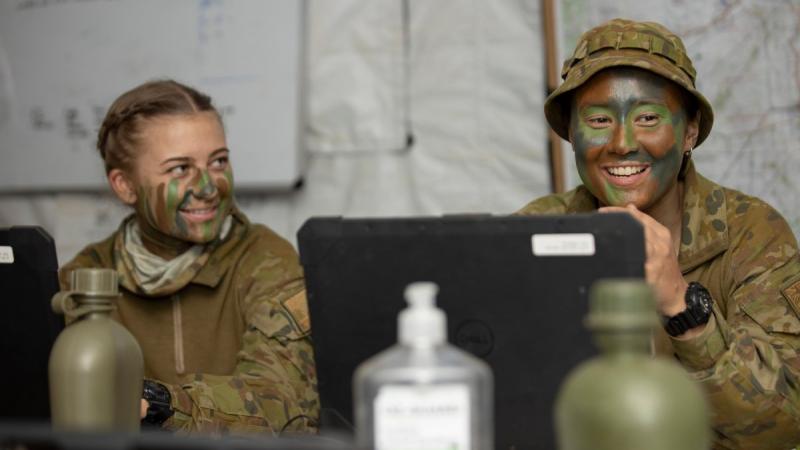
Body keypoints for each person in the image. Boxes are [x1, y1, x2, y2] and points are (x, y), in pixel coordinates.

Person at [518, 19, 800, 450]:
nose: (622, 143)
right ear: (571, 134)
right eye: (598, 119)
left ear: (689, 132)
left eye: (648, 117)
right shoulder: (533, 234)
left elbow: (784, 424)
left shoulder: (750, 235)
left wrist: (683, 307)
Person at [59, 80, 319, 433]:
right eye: (180, 169)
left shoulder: (265, 259)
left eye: (218, 161)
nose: (209, 187)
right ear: (124, 185)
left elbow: (282, 398)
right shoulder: (87, 273)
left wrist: (156, 403)